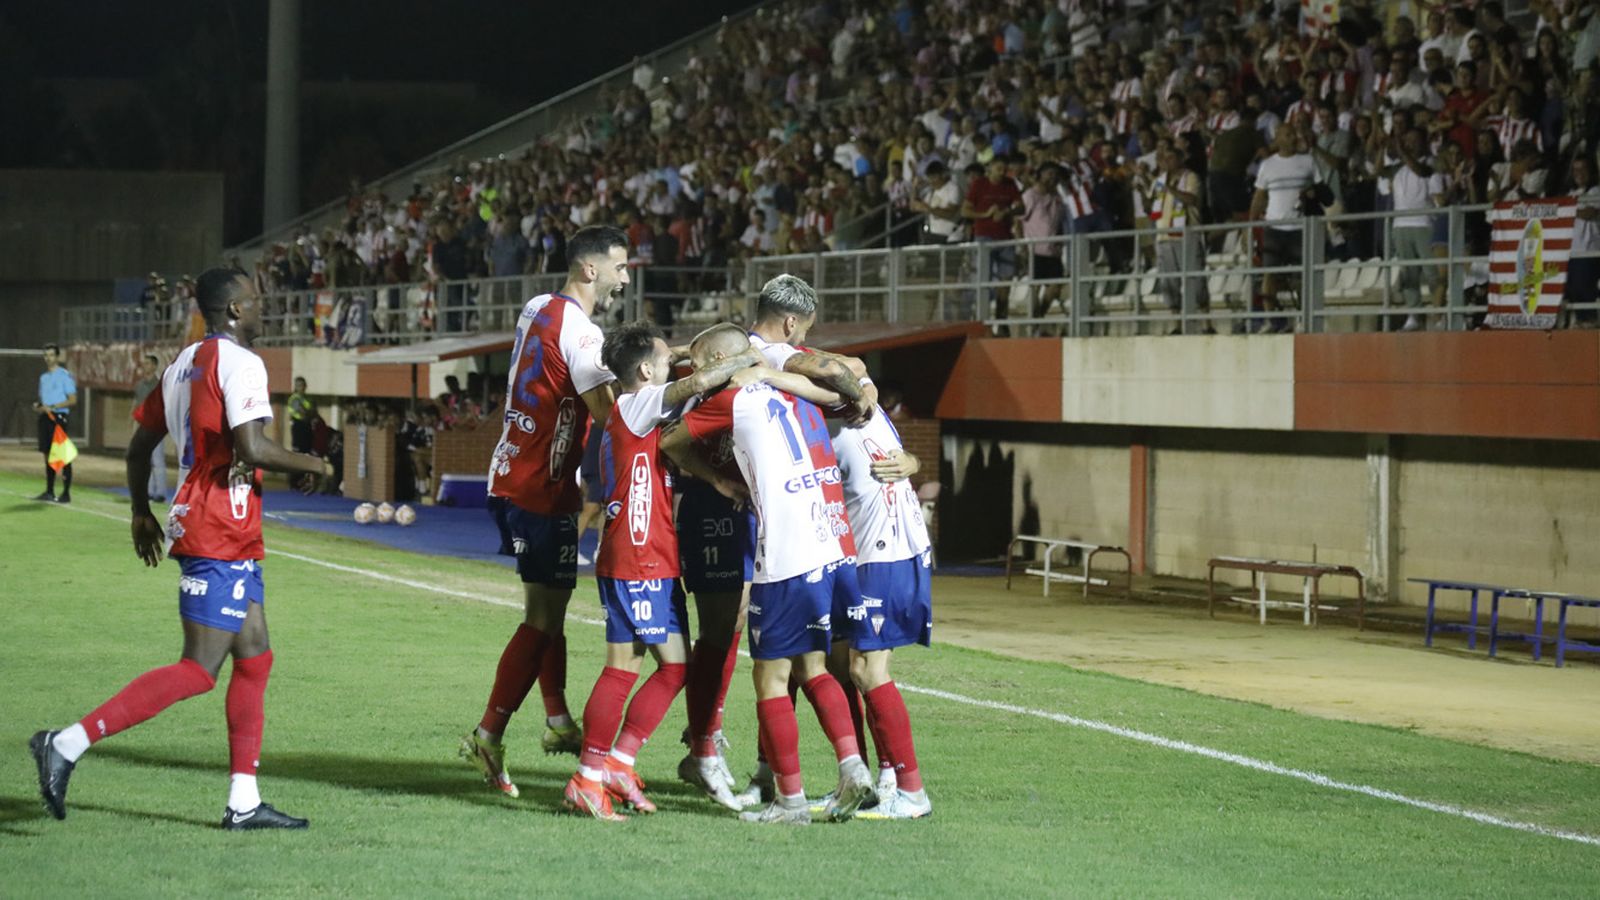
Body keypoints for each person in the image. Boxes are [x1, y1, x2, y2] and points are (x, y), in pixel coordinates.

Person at [29, 268, 329, 830]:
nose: (262, 308)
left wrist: (139, 511)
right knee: (198, 668)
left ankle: (244, 802)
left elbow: (139, 446)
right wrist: (314, 462)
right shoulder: (241, 362)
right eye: (255, 301)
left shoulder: (181, 363)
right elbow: (252, 446)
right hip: (219, 524)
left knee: (255, 656)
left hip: (219, 522)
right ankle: (65, 743)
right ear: (234, 310)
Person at [668, 275, 873, 809]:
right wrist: (863, 396)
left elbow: (670, 437)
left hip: (780, 538)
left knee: (773, 668)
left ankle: (785, 792)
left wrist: (716, 478)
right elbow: (849, 378)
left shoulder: (739, 387)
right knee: (802, 659)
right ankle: (848, 769)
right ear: (789, 323)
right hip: (825, 533)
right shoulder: (795, 378)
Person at [561, 322, 761, 820]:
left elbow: (673, 374)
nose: (675, 365)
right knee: (632, 667)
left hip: (649, 553)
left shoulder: (638, 407)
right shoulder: (636, 403)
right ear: (646, 371)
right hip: (637, 555)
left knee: (668, 666)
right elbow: (697, 381)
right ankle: (590, 775)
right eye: (665, 361)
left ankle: (617, 764)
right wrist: (752, 359)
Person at [460, 225, 628, 798]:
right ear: (590, 269)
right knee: (541, 618)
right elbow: (609, 414)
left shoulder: (538, 306)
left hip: (510, 472)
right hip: (542, 487)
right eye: (619, 267)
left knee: (548, 609)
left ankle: (557, 718)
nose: (625, 279)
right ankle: (487, 734)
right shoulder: (583, 332)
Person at [828, 399, 934, 820]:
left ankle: (912, 791)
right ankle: (879, 780)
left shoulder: (848, 411)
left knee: (867, 670)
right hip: (866, 554)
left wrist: (912, 461)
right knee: (845, 666)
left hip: (886, 555)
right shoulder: (864, 414)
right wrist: (912, 460)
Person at [1250, 127, 1319, 332]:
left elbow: (1321, 189)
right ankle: (1271, 320)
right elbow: (1259, 197)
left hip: (1300, 227)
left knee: (1301, 276)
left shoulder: (1308, 161)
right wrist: (1250, 227)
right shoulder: (1268, 165)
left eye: (1294, 134)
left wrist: (1311, 195)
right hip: (1273, 227)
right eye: (1288, 134)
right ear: (1278, 139)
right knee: (1269, 274)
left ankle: (1303, 318)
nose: (1294, 137)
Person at [32, 343, 77, 503]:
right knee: (47, 454)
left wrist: (53, 406)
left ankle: (66, 493)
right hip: (45, 418)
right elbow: (43, 400)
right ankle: (49, 491)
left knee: (62, 455)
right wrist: (39, 407)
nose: (48, 358)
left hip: (58, 418)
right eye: (46, 355)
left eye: (51, 355)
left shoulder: (64, 375)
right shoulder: (43, 378)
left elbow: (72, 400)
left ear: (57, 357)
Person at [132, 353, 168, 502]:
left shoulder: (159, 385)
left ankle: (160, 492)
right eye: (144, 363)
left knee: (157, 460)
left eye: (147, 363)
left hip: (155, 426)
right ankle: (148, 491)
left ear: (154, 366)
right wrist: (134, 425)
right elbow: (136, 404)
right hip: (142, 425)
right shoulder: (139, 385)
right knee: (144, 460)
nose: (144, 366)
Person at [286, 377, 317, 454]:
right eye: (299, 385)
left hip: (307, 426)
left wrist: (310, 413)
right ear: (296, 387)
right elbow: (302, 412)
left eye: (302, 385)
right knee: (298, 451)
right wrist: (309, 412)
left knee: (308, 450)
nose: (301, 388)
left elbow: (314, 412)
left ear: (305, 386)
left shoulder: (307, 399)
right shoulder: (294, 399)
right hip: (298, 425)